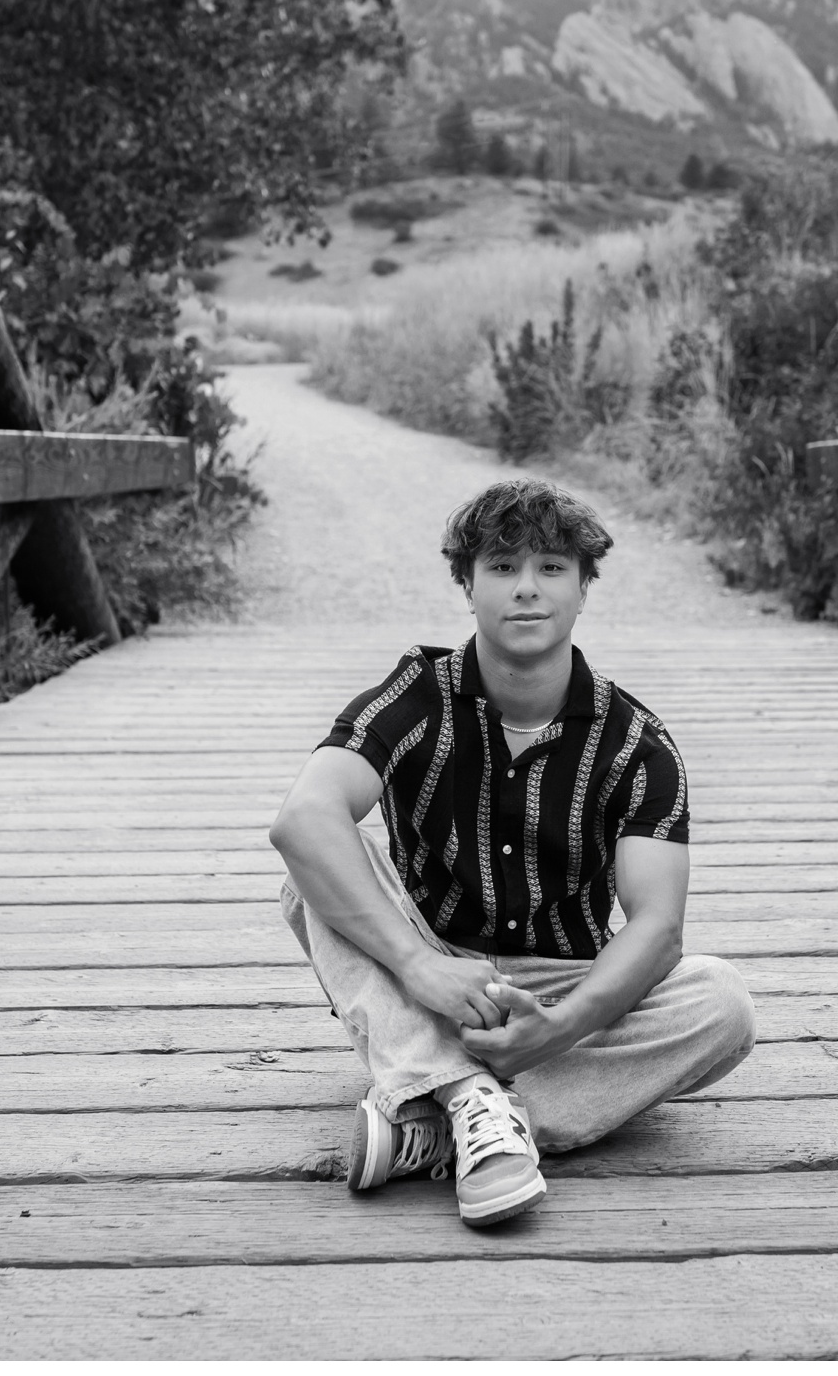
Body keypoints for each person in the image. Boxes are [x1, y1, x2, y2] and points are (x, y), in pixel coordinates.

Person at [268, 479, 756, 1228]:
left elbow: (658, 929)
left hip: (564, 985)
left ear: (584, 587)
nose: (527, 589)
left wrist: (560, 1028)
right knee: (315, 875)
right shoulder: (418, 694)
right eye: (501, 568)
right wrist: (418, 965)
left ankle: (436, 1112)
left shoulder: (636, 743)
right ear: (466, 585)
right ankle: (475, 1103)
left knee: (722, 1003)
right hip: (430, 972)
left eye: (552, 568)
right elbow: (303, 820)